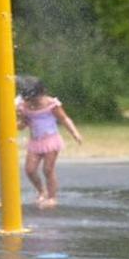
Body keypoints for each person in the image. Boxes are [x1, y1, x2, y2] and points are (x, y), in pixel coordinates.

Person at [16, 76, 83, 209]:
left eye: (34, 99)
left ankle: (52, 197)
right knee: (30, 170)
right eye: (28, 99)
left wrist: (75, 133)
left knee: (47, 169)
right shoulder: (24, 106)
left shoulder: (51, 104)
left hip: (51, 140)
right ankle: (42, 191)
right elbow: (22, 125)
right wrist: (18, 120)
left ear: (41, 93)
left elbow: (64, 119)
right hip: (35, 142)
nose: (32, 102)